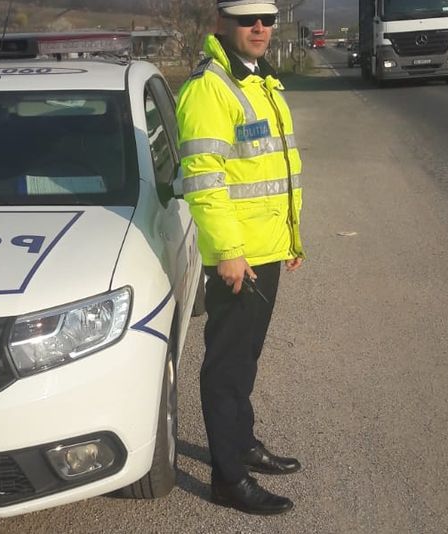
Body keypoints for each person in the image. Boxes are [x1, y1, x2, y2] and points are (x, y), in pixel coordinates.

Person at [176, 0, 305, 516]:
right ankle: (228, 478)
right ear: (221, 24)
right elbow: (204, 180)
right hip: (239, 258)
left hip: (265, 249)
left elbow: (271, 173)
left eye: (267, 19)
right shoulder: (210, 88)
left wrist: (290, 240)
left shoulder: (260, 80)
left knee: (245, 358)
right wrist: (228, 252)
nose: (259, 28)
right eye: (247, 19)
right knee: (226, 367)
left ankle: (242, 443)